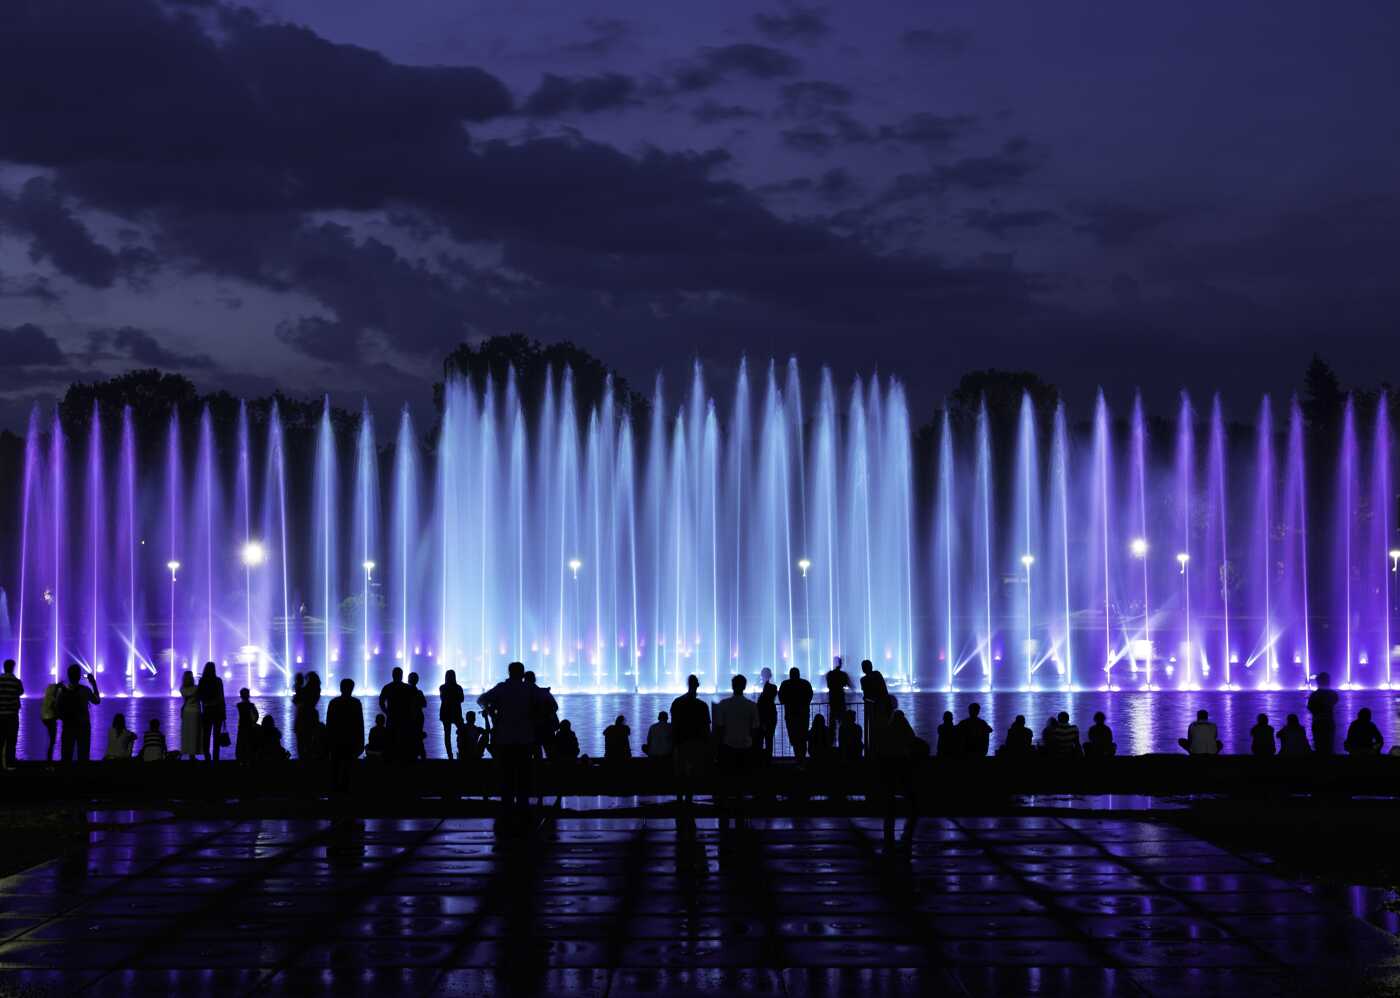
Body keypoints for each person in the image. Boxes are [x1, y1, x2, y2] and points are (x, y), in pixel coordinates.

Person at [477, 662, 535, 822]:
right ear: (522, 674)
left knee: (507, 773)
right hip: (524, 737)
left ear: (509, 673)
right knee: (523, 773)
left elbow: (481, 699)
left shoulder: (502, 688)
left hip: (505, 737)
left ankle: (506, 811)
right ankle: (523, 810)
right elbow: (550, 703)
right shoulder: (529, 688)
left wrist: (492, 713)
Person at [713, 674, 760, 825]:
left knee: (727, 776)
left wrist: (717, 746)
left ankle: (726, 807)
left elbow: (719, 727)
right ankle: (740, 804)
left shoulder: (723, 704)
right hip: (745, 746)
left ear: (733, 686)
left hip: (728, 745)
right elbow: (755, 728)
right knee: (742, 776)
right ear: (744, 687)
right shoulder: (751, 706)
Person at [877, 708, 919, 849]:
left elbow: (882, 744)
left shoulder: (889, 729)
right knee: (905, 784)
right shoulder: (905, 728)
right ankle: (910, 805)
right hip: (902, 759)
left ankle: (890, 804)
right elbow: (912, 739)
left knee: (891, 785)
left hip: (890, 761)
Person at [670, 674, 712, 805]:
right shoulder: (702, 705)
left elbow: (674, 724)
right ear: (697, 685)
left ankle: (679, 798)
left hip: (681, 741)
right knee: (692, 771)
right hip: (696, 742)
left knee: (680, 771)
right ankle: (689, 799)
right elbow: (706, 727)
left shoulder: (677, 702)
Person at [57, 664, 101, 763]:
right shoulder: (85, 690)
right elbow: (97, 701)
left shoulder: (62, 691)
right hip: (83, 726)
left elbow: (57, 709)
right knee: (83, 756)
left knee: (66, 756)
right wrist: (93, 683)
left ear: (68, 676)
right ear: (79, 676)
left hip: (68, 726)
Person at [326, 678, 365, 769]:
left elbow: (329, 723)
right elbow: (360, 725)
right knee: (349, 769)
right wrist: (361, 743)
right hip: (351, 741)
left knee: (335, 768)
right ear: (352, 689)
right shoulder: (356, 703)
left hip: (336, 741)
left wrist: (328, 742)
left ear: (340, 688)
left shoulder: (333, 703)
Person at [378, 667, 414, 763]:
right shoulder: (407, 688)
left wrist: (386, 712)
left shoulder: (387, 687)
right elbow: (413, 703)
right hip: (404, 718)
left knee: (391, 739)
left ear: (392, 675)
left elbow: (381, 702)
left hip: (392, 717)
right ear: (401, 676)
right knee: (403, 739)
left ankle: (391, 759)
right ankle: (403, 759)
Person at [778, 666, 814, 762]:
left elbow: (781, 699)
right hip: (803, 714)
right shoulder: (805, 683)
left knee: (793, 737)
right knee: (803, 737)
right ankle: (802, 758)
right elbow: (810, 696)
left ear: (790, 675)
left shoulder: (785, 684)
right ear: (799, 674)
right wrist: (805, 704)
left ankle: (798, 758)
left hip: (790, 715)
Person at [197, 662, 227, 761]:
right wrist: (224, 715)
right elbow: (221, 698)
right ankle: (216, 759)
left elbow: (199, 696)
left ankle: (207, 757)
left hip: (207, 712)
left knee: (206, 735)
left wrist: (206, 704)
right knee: (216, 736)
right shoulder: (218, 681)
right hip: (218, 712)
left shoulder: (202, 681)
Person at [860, 659, 889, 751]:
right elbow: (884, 689)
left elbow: (866, 694)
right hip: (882, 705)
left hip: (872, 707)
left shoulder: (863, 680)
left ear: (863, 669)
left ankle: (873, 747)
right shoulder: (877, 674)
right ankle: (881, 747)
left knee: (873, 728)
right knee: (882, 727)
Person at [1307, 672, 1339, 755]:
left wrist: (1316, 712)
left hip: (1317, 722)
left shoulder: (1314, 695)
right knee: (1329, 745)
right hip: (1329, 722)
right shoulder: (1332, 694)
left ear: (1318, 682)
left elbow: (1309, 707)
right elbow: (1335, 700)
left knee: (1318, 745)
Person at [293, 672, 322, 759]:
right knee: (310, 741)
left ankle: (302, 762)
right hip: (312, 716)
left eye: (307, 679)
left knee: (301, 742)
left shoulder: (306, 690)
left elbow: (296, 700)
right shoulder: (317, 690)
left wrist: (298, 684)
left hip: (303, 716)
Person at [0, 660, 22, 769]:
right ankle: (10, 762)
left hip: (0, 715)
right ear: (13, 668)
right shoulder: (16, 681)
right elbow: (21, 692)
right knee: (11, 740)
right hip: (12, 715)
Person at [439, 669, 465, 760]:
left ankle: (450, 755)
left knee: (447, 734)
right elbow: (462, 699)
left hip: (445, 712)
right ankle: (462, 751)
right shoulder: (458, 688)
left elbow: (442, 698)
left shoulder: (442, 687)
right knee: (462, 732)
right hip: (456, 712)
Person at [178, 670, 201, 761]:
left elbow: (187, 696)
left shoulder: (182, 689)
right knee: (194, 734)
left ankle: (189, 753)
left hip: (186, 711)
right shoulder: (196, 688)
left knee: (187, 734)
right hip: (195, 712)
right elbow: (198, 696)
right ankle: (193, 754)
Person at [756, 668, 779, 758]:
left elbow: (765, 701)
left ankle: (764, 759)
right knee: (766, 740)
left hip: (766, 717)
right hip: (769, 716)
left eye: (764, 674)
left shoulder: (771, 687)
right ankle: (766, 759)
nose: (763, 676)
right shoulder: (770, 687)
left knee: (765, 739)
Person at [41, 677, 63, 762]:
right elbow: (53, 707)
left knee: (51, 740)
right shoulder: (55, 695)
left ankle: (49, 760)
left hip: (44, 717)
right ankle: (49, 762)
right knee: (52, 741)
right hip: (50, 718)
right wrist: (60, 716)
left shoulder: (50, 688)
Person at [407, 671, 428, 760]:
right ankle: (421, 756)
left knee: (410, 737)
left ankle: (412, 755)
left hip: (409, 717)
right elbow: (424, 704)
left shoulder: (405, 692)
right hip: (418, 716)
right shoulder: (419, 692)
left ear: (408, 680)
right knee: (418, 737)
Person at [824, 657, 851, 727]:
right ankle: (843, 735)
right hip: (840, 699)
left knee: (832, 721)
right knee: (842, 721)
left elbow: (828, 685)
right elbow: (849, 684)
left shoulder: (830, 674)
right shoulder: (843, 675)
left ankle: (831, 736)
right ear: (840, 664)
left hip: (832, 699)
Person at [235, 689, 259, 763]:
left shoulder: (239, 705)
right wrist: (253, 722)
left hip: (242, 727)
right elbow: (256, 715)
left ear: (241, 696)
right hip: (250, 727)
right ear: (248, 695)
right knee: (250, 745)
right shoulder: (251, 705)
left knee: (241, 745)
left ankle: (241, 760)